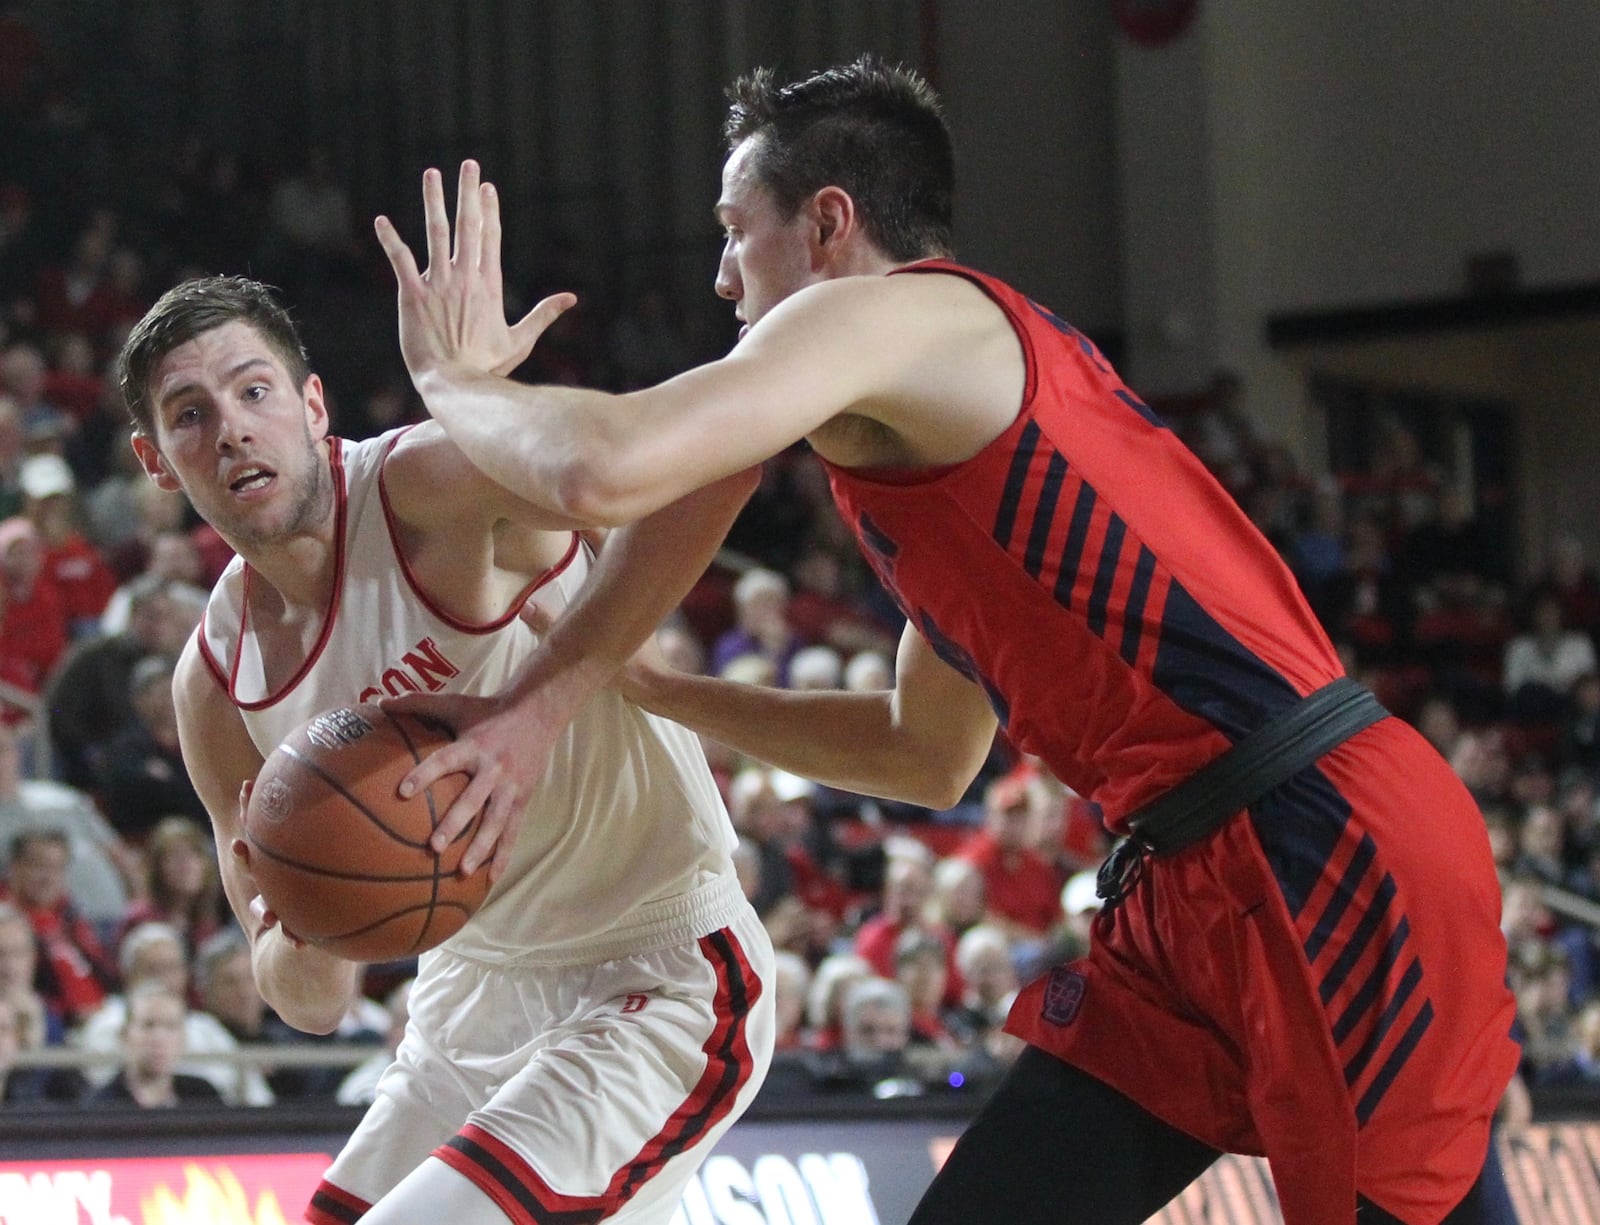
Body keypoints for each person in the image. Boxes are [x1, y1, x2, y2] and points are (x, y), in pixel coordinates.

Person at [374, 58, 1517, 1224]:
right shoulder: (915, 428)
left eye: (733, 231)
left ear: (827, 223)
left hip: (1311, 844)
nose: (720, 275)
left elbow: (604, 465)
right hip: (1197, 873)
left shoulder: (900, 317)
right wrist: (653, 686)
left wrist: (449, 380)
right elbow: (921, 751)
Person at [116, 272, 773, 1223]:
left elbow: (719, 465)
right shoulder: (215, 686)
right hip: (468, 1003)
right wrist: (304, 919)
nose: (230, 428)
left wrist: (533, 712)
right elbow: (309, 1001)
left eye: (254, 391)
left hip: (656, 963)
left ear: (311, 405)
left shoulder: (426, 491)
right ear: (157, 460)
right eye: (190, 413)